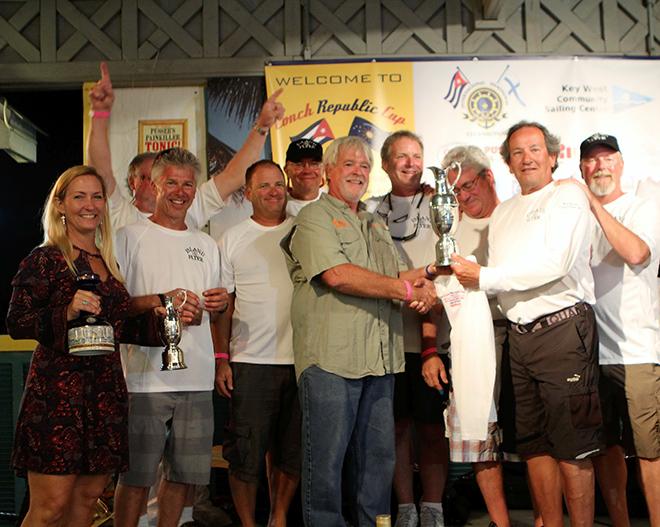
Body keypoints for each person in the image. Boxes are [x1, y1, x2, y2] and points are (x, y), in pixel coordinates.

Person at [451, 122, 603, 527]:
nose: (527, 157)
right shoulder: (504, 213)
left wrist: (480, 278)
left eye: (535, 149)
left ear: (553, 156)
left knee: (573, 449)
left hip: (563, 333)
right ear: (507, 164)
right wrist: (442, 286)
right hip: (519, 338)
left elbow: (554, 264)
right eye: (517, 152)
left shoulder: (568, 194)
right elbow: (501, 279)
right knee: (534, 447)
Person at [281, 136, 439, 526]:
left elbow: (386, 277)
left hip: (380, 361)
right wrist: (406, 290)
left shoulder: (373, 222)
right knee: (327, 463)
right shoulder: (313, 218)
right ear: (327, 172)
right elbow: (338, 275)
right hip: (331, 363)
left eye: (364, 166)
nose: (358, 171)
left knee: (378, 461)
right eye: (348, 164)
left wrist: (430, 276)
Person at [6, 166, 160, 527]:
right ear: (60, 205)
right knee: (49, 508)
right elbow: (16, 322)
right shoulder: (44, 259)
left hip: (105, 394)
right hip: (57, 398)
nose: (89, 205)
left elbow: (118, 325)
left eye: (96, 196)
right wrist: (67, 309)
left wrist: (165, 317)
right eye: (79, 196)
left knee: (88, 501)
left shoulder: (108, 262)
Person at [113, 148, 228, 527]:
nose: (180, 191)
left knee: (183, 476)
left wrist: (219, 302)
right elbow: (116, 305)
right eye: (171, 183)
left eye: (188, 184)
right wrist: (163, 305)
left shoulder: (207, 245)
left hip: (195, 377)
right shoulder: (128, 237)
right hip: (143, 378)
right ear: (154, 185)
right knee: (136, 477)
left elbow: (219, 306)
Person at [423, 144, 522, 527]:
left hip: (527, 332)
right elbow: (431, 292)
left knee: (535, 432)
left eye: (468, 185)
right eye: (456, 192)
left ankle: (548, 515)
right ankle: (502, 523)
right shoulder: (448, 230)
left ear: (489, 178)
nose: (463, 197)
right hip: (470, 344)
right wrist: (430, 348)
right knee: (481, 434)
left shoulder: (517, 216)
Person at [569, 133, 659, 527]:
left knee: (649, 450)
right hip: (590, 353)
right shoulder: (572, 218)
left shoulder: (643, 206)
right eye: (591, 160)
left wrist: (593, 206)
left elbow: (637, 253)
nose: (600, 166)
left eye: (607, 158)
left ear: (621, 163)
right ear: (581, 168)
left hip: (638, 350)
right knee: (606, 447)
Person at [86, 61, 285, 231]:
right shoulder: (118, 211)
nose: (178, 190)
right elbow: (100, 170)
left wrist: (262, 127)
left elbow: (234, 175)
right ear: (132, 182)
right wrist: (99, 114)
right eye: (147, 178)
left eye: (183, 183)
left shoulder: (190, 206)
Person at [367, 131, 448, 527]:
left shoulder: (441, 206)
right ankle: (404, 507)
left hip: (433, 337)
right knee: (395, 429)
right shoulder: (368, 212)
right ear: (385, 164)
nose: (410, 163)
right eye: (401, 156)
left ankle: (433, 506)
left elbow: (448, 266)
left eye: (417, 156)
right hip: (387, 339)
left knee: (433, 429)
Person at [214, 160, 301, 527]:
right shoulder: (231, 238)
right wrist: (222, 359)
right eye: (263, 186)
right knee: (245, 455)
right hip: (250, 362)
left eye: (278, 184)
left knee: (291, 452)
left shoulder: (304, 230)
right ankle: (250, 524)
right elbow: (223, 305)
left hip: (302, 362)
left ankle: (278, 518)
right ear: (247, 193)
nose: (273, 191)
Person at [208, 137, 325, 238]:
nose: (307, 170)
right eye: (299, 164)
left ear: (323, 168)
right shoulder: (274, 206)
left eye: (314, 163)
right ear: (287, 169)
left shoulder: (335, 205)